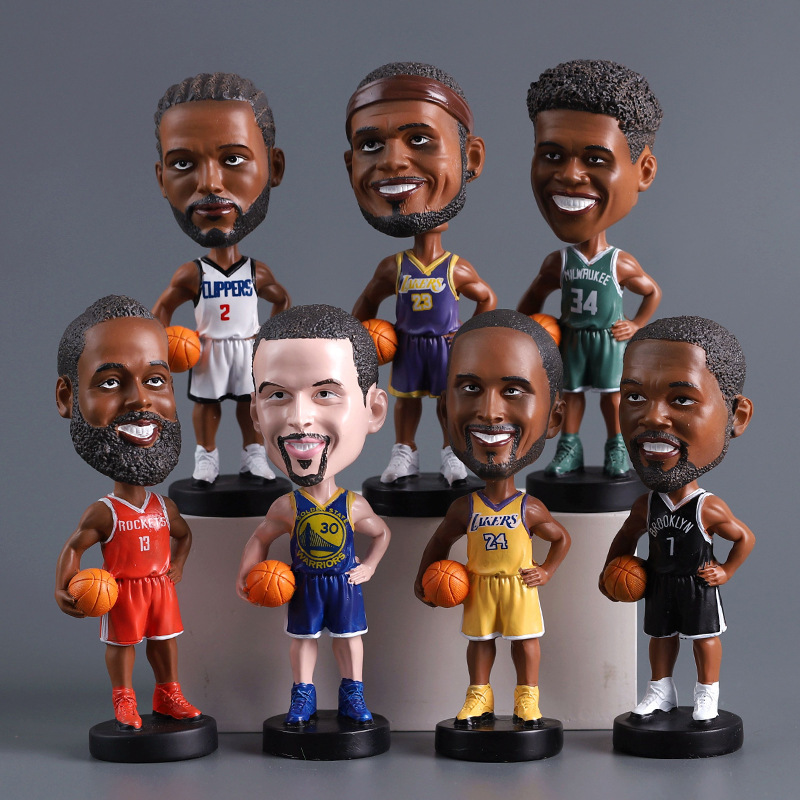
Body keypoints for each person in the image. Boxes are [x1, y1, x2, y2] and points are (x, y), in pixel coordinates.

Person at [414, 310, 570, 726]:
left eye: (513, 390)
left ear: (555, 416)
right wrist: (424, 574)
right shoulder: (465, 506)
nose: (490, 412)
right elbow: (440, 541)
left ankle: (527, 697)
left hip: (518, 583)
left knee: (525, 641)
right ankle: (479, 696)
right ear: (444, 412)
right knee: (480, 642)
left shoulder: (528, 507)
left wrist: (547, 570)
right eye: (470, 388)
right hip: (479, 583)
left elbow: (561, 537)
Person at [236, 305, 391, 725]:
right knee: (303, 640)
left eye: (325, 393)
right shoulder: (287, 506)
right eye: (277, 395)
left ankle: (352, 694)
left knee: (349, 639)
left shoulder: (353, 504)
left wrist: (370, 566)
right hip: (304, 582)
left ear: (374, 410)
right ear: (255, 414)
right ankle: (302, 695)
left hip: (342, 581)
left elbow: (381, 533)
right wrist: (247, 570)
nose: (300, 417)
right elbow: (261, 536)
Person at [346, 62, 497, 485]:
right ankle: (404, 452)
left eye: (418, 139)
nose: (394, 161)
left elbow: (486, 297)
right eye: (372, 145)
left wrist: (470, 340)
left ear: (471, 159)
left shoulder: (455, 266)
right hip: (408, 343)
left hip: (444, 343)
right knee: (406, 402)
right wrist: (358, 341)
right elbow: (367, 301)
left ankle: (451, 452)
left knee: (448, 402)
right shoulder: (394, 266)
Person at [54, 295, 201, 730]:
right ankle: (124, 698)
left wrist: (177, 566)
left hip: (159, 586)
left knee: (165, 641)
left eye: (156, 380)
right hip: (122, 589)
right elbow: (75, 546)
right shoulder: (105, 512)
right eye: (111, 382)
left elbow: (184, 535)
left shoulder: (163, 505)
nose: (140, 400)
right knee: (122, 645)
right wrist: (62, 584)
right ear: (67, 397)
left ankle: (168, 693)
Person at [600, 316, 755, 722]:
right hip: (659, 581)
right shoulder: (646, 504)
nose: (653, 417)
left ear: (736, 416)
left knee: (704, 639)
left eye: (682, 399)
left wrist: (726, 571)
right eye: (634, 396)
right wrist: (610, 570)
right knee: (660, 638)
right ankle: (660, 691)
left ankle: (706, 693)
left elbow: (745, 537)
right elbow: (626, 537)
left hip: (696, 581)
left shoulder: (707, 506)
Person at [518, 60, 663, 478]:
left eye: (595, 159)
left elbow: (651, 291)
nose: (569, 175)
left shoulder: (619, 261)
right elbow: (532, 300)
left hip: (606, 338)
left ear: (643, 171)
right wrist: (529, 332)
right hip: (573, 336)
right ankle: (570, 447)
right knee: (571, 396)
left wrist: (636, 325)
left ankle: (617, 447)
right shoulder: (559, 261)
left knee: (613, 396)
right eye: (552, 155)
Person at [152, 73, 290, 486]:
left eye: (232, 159)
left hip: (246, 345)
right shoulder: (193, 272)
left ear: (274, 167)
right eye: (183, 163)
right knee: (207, 405)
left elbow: (281, 300)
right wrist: (162, 351)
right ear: (162, 179)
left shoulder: (256, 271)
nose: (210, 182)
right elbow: (162, 309)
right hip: (208, 347)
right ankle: (206, 456)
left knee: (251, 403)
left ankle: (254, 455)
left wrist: (270, 341)